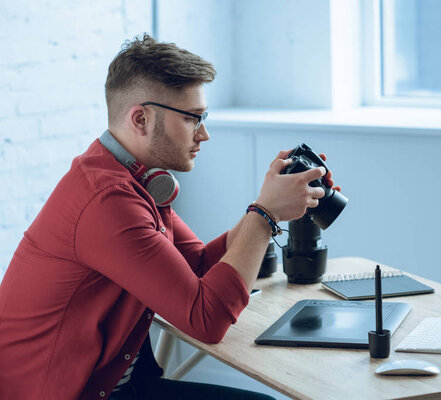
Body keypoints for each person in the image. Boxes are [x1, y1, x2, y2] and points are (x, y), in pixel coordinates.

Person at [0, 34, 339, 400]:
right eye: (193, 118)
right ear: (141, 118)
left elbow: (195, 268)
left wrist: (268, 201)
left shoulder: (133, 178)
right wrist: (266, 214)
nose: (204, 134)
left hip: (119, 385)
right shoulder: (107, 201)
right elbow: (206, 321)